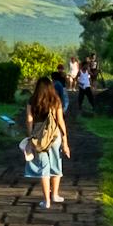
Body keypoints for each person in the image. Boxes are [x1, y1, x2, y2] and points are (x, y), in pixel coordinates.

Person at [20, 74, 70, 210]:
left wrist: (30, 138)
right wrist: (65, 142)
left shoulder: (32, 100)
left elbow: (29, 120)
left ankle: (46, 201)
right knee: (56, 164)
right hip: (54, 135)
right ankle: (55, 195)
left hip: (38, 137)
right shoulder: (55, 100)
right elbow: (61, 122)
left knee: (43, 168)